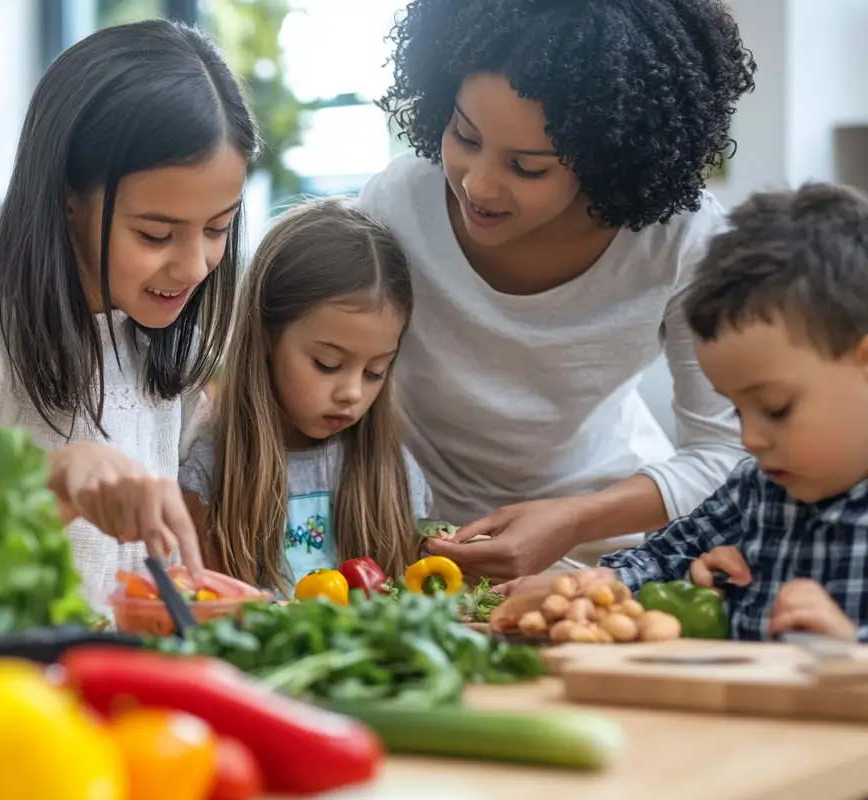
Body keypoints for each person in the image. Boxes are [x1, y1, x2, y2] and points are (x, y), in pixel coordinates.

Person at [360, 0, 758, 580]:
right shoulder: (397, 206)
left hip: (605, 545)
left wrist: (572, 521)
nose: (478, 184)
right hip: (421, 539)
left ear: (607, 158)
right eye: (464, 135)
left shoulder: (682, 243)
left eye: (526, 168)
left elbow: (728, 454)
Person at [0, 19, 258, 608]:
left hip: (141, 672)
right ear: (69, 197)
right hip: (14, 679)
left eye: (218, 228)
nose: (195, 266)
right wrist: (60, 472)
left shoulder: (172, 351)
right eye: (155, 233)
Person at [520, 183, 868, 642]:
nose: (751, 440)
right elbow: (661, 558)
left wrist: (852, 652)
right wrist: (599, 584)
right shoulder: (757, 488)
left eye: (775, 409)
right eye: (737, 411)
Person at [178, 199, 432, 594]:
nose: (352, 393)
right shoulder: (211, 469)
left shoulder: (395, 473)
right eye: (327, 364)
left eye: (375, 372)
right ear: (266, 334)